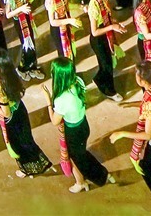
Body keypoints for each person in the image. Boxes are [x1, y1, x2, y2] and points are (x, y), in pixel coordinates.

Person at [108, 61, 151, 199]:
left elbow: (147, 134)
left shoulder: (150, 104)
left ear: (142, 80)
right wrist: (134, 104)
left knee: (146, 165)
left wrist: (121, 133)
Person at [43, 58, 114, 192]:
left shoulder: (62, 99)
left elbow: (54, 121)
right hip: (83, 126)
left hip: (73, 132)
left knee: (78, 159)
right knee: (82, 154)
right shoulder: (78, 81)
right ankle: (98, 176)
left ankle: (92, 179)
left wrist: (48, 101)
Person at [0, 48, 53, 177]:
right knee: (27, 140)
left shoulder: (0, 88)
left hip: (12, 120)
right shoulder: (11, 75)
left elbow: (6, 113)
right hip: (20, 111)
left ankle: (27, 169)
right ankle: (40, 163)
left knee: (18, 146)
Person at [86, 0, 125, 102]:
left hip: (105, 34)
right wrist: (112, 27)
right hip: (98, 39)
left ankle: (99, 79)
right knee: (107, 66)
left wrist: (115, 23)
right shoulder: (93, 6)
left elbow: (107, 17)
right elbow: (94, 31)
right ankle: (109, 90)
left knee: (106, 64)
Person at [3, 0, 42, 80]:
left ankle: (32, 66)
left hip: (27, 18)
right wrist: (21, 9)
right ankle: (23, 68)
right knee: (27, 45)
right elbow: (8, 14)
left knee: (32, 43)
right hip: (20, 22)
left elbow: (28, 0)